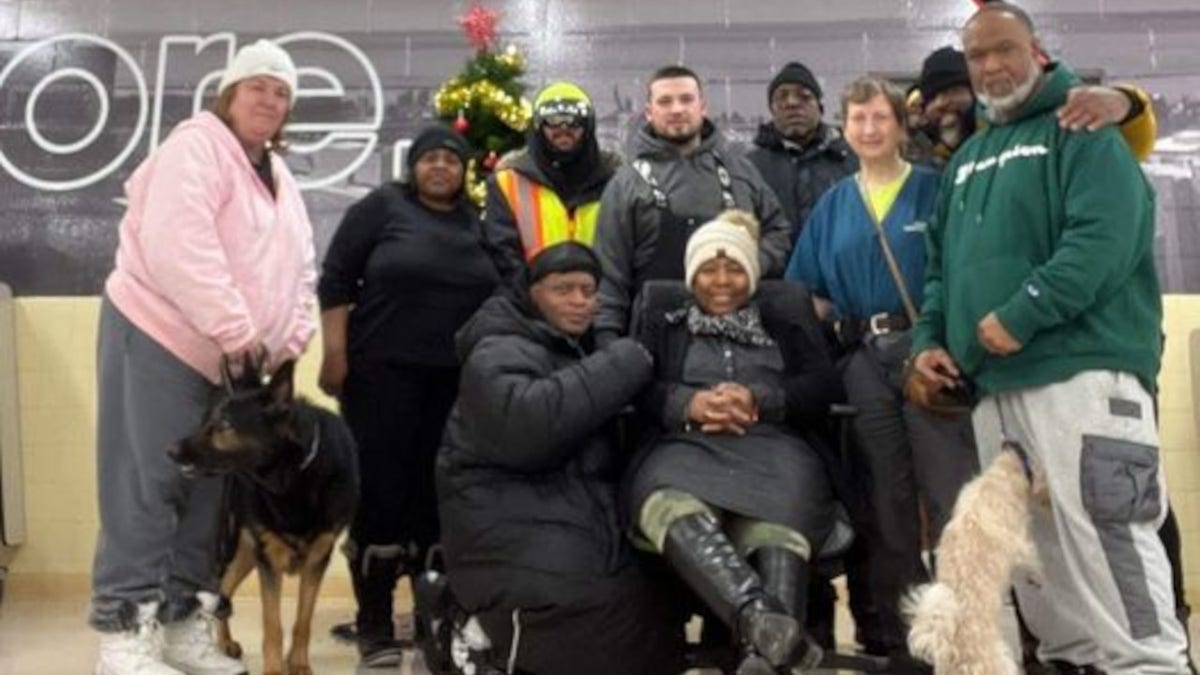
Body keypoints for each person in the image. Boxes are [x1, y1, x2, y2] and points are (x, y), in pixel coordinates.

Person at [907, 4, 1192, 673]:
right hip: (994, 390)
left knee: (1108, 534)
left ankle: (1151, 663)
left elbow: (1104, 240)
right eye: (977, 56)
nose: (991, 66)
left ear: (1037, 52)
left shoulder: (1083, 128)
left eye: (1004, 49)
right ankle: (1069, 662)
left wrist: (1023, 312)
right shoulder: (968, 158)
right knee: (1038, 553)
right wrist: (927, 340)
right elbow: (940, 272)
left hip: (1082, 376)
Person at [91, 39, 314, 675]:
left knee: (209, 493)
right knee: (149, 484)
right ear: (230, 92)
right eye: (258, 87)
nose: (269, 100)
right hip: (162, 336)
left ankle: (181, 624)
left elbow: (302, 267)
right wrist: (240, 330)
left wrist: (291, 336)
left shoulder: (279, 175)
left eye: (281, 92)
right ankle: (121, 635)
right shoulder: (195, 149)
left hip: (233, 364)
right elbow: (178, 246)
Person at [785, 76, 977, 669]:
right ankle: (909, 645)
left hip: (927, 355)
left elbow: (961, 270)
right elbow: (806, 290)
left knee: (952, 501)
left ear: (899, 125)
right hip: (865, 363)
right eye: (858, 119)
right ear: (845, 127)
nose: (869, 129)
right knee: (888, 511)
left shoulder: (933, 190)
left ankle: (967, 637)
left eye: (880, 118)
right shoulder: (835, 204)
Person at [436, 242, 685, 675]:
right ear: (532, 293)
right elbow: (526, 429)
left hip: (568, 506)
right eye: (563, 289)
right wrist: (626, 360)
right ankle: (459, 623)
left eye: (589, 291)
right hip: (503, 511)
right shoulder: (496, 347)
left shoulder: (573, 348)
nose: (579, 301)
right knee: (583, 602)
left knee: (650, 596)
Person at [627, 209, 841, 674]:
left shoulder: (783, 315)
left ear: (752, 272)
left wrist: (761, 399)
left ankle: (763, 655)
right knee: (667, 502)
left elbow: (823, 386)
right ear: (690, 275)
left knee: (778, 523)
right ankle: (762, 624)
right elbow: (635, 385)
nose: (721, 280)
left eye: (734, 268)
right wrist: (688, 403)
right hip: (685, 448)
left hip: (776, 450)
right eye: (708, 269)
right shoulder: (665, 319)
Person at [317, 125, 497, 666]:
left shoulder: (476, 224)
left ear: (464, 171)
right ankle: (374, 623)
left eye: (450, 159)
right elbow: (335, 281)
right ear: (413, 166)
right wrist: (334, 354)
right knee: (379, 496)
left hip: (452, 385)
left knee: (434, 502)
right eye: (429, 159)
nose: (440, 167)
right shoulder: (381, 208)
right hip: (379, 378)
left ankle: (429, 618)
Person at [593, 64, 792, 344]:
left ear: (703, 107)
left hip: (741, 340)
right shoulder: (626, 184)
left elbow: (779, 232)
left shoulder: (741, 172)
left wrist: (749, 264)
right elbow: (610, 275)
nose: (677, 109)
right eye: (665, 101)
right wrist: (607, 342)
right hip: (657, 343)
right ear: (649, 113)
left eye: (686, 99)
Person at [916, 44, 1157, 165]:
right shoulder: (943, 160)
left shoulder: (1033, 130)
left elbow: (1131, 148)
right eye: (932, 99)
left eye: (951, 91)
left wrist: (1128, 103)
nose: (941, 103)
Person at [484, 81, 620, 283]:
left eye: (574, 121)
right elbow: (502, 252)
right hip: (530, 304)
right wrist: (539, 297)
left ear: (589, 125)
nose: (563, 130)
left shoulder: (617, 179)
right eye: (553, 121)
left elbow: (627, 249)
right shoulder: (508, 181)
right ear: (538, 126)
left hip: (602, 303)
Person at [747, 61, 857, 239]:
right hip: (778, 266)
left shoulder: (851, 160)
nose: (792, 103)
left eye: (804, 96)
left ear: (820, 108)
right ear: (772, 110)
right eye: (782, 97)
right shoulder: (751, 168)